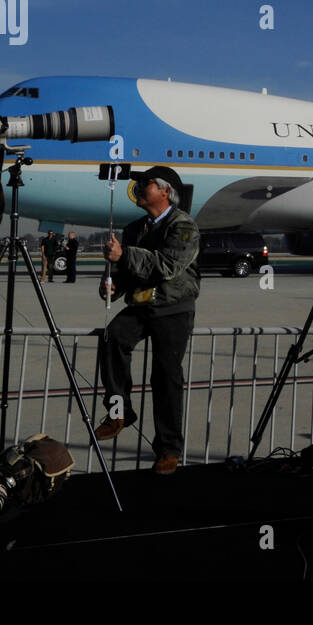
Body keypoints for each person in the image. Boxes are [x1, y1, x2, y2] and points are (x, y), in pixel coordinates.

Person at [95, 166, 200, 475]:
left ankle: (169, 448)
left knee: (166, 376)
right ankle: (119, 412)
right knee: (113, 338)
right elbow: (126, 271)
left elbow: (167, 266)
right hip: (142, 306)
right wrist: (111, 285)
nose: (139, 187)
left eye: (146, 183)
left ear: (165, 191)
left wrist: (123, 255)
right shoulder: (134, 228)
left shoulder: (184, 226)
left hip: (173, 309)